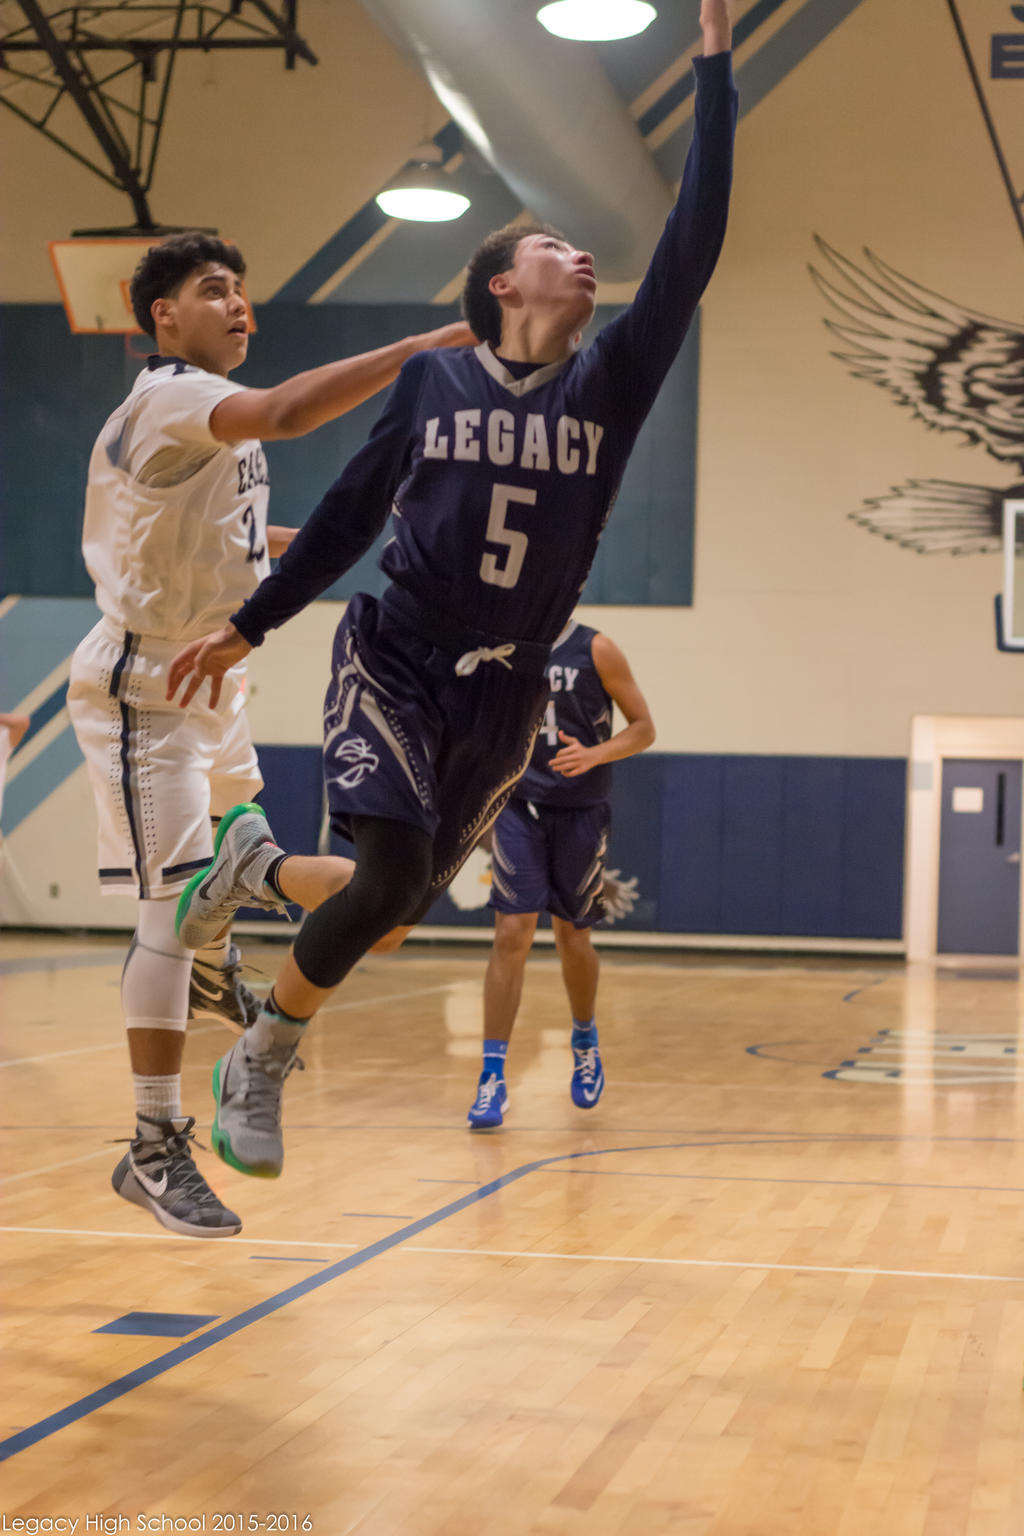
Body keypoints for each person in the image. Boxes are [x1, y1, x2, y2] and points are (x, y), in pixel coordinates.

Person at [168, 0, 736, 1183]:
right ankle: (262, 1058)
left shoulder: (608, 385)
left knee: (400, 908)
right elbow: (346, 516)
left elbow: (691, 246)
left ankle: (247, 881)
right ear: (502, 286)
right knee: (384, 877)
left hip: (508, 689)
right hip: (397, 655)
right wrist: (250, 624)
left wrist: (715, 63)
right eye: (552, 247)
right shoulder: (432, 387)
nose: (580, 255)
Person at [66, 230, 472, 1238]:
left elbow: (229, 540)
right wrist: (419, 349)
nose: (240, 304)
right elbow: (291, 412)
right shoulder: (172, 397)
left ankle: (224, 921)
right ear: (161, 314)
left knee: (264, 866)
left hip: (212, 680)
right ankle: (151, 1145)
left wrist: (338, 542)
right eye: (215, 290)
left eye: (244, 290)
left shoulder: (213, 425)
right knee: (164, 917)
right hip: (147, 689)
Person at [468, 620, 654, 1128]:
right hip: (517, 806)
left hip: (580, 810)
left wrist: (595, 754)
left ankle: (585, 1038)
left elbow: (643, 728)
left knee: (573, 935)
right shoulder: (503, 645)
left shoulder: (597, 649)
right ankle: (491, 1077)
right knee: (512, 932)